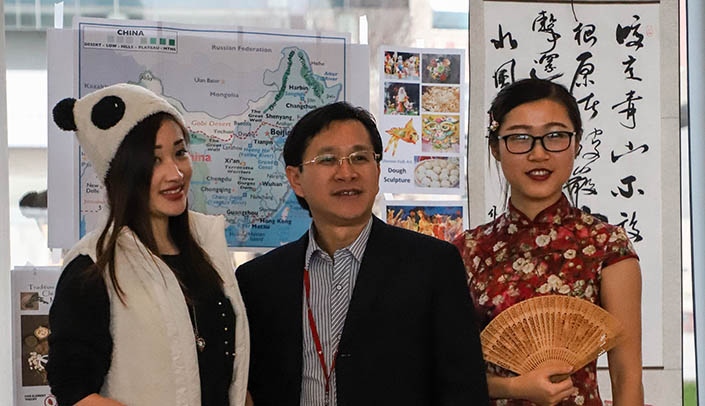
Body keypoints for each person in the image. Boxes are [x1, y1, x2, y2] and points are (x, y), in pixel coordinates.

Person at [236, 101, 489, 406]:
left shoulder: (432, 265)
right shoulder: (259, 280)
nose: (347, 172)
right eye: (328, 159)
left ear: (378, 170)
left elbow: (464, 388)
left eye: (360, 157)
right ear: (296, 178)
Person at [47, 83, 250, 406]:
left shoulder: (206, 247)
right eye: (154, 160)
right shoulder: (91, 268)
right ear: (122, 172)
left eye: (180, 152)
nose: (175, 173)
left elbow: (224, 370)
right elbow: (75, 390)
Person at [452, 78, 643, 405]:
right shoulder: (466, 250)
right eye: (520, 138)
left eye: (555, 136)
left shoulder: (607, 246)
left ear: (576, 144)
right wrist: (513, 388)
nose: (538, 153)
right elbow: (449, 375)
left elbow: (626, 377)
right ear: (495, 147)